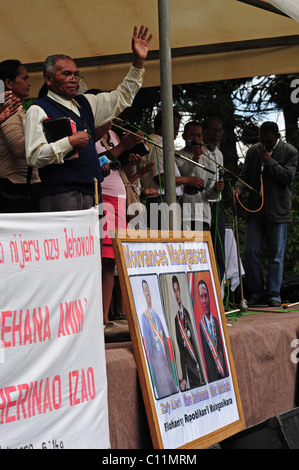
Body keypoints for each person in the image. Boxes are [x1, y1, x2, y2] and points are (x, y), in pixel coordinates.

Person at [24, 25, 152, 212]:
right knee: (65, 241)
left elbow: (123, 97)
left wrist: (138, 62)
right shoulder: (38, 109)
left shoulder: (86, 103)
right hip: (61, 193)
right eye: (66, 74)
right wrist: (68, 141)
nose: (73, 79)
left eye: (76, 74)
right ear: (49, 79)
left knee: (93, 242)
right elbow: (34, 156)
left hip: (93, 191)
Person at [234, 121, 298, 307]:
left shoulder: (290, 152)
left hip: (278, 211)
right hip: (256, 209)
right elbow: (245, 175)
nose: (265, 144)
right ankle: (256, 292)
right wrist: (238, 189)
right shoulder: (253, 150)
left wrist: (270, 161)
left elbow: (287, 177)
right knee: (249, 252)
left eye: (269, 141)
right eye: (262, 140)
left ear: (277, 137)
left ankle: (273, 294)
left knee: (275, 255)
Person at [95, 121, 145, 324]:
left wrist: (130, 160)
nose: (111, 120)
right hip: (102, 197)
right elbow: (94, 164)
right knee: (102, 260)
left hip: (119, 200)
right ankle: (100, 318)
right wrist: (123, 147)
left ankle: (105, 317)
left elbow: (118, 166)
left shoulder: (113, 135)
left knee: (111, 260)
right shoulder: (88, 134)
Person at [141, 110, 205, 229]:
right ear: (165, 126)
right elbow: (161, 179)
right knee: (165, 244)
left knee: (170, 244)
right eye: (175, 128)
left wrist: (183, 187)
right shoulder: (156, 144)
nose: (176, 133)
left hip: (166, 201)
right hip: (160, 201)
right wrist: (188, 180)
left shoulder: (162, 145)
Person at [0, 60, 40, 213]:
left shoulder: (17, 110)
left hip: (23, 185)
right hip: (14, 188)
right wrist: (46, 134)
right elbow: (18, 147)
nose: (29, 83)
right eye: (24, 78)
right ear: (9, 83)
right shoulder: (9, 109)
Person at [176, 120, 223, 232]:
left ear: (203, 137)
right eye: (192, 135)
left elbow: (209, 193)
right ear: (184, 136)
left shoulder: (209, 159)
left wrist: (216, 190)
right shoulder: (177, 155)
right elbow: (182, 175)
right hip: (183, 214)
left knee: (201, 249)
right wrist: (195, 158)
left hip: (203, 215)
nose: (196, 139)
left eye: (199, 135)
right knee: (186, 249)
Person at [141, 279, 178, 399]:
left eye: (148, 290)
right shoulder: (144, 318)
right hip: (158, 370)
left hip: (166, 368)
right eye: (145, 290)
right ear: (143, 293)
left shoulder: (157, 317)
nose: (147, 293)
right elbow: (150, 355)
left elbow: (167, 348)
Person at [202, 117, 226, 283]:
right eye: (213, 130)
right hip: (201, 206)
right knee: (204, 251)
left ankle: (219, 290)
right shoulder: (198, 152)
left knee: (219, 251)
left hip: (217, 205)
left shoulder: (219, 154)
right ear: (205, 132)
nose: (217, 135)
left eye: (219, 131)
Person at [172, 275, 205, 391]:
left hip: (196, 366)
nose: (177, 293)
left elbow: (195, 343)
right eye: (174, 290)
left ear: (180, 290)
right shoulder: (176, 319)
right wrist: (183, 376)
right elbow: (180, 349)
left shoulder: (187, 313)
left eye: (177, 289)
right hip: (186, 367)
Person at [198, 279, 228, 382]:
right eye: (201, 297)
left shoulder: (217, 321)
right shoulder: (201, 326)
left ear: (210, 297)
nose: (204, 301)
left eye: (206, 295)